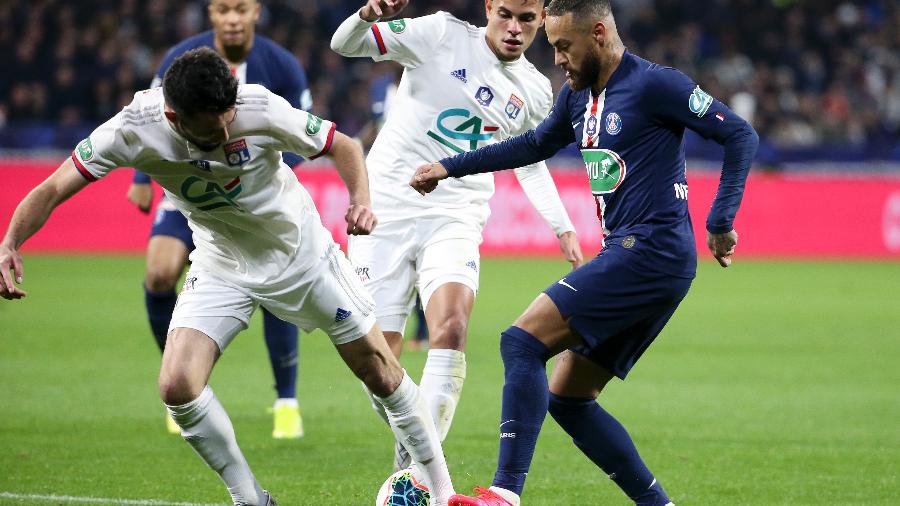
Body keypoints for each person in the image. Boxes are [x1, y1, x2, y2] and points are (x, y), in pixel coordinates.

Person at [0, 48, 456, 506]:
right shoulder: (131, 129)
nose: (224, 131)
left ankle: (442, 493)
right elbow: (55, 186)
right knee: (177, 385)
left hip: (301, 256)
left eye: (227, 117)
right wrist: (10, 242)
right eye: (210, 126)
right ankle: (250, 499)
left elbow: (345, 145)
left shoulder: (257, 107)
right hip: (222, 262)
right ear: (174, 117)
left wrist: (361, 199)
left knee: (379, 371)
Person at [410, 0, 759, 504]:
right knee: (569, 400)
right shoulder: (577, 98)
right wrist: (450, 166)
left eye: (563, 46)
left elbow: (739, 134)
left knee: (520, 342)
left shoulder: (656, 85)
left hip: (651, 250)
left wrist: (721, 220)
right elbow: (532, 145)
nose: (557, 59)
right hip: (643, 257)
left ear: (599, 34)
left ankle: (504, 495)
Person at [330, 0, 583, 471]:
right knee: (377, 365)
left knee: (452, 327)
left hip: (456, 213)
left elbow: (527, 159)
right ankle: (421, 461)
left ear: (542, 21)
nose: (514, 29)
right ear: (489, 7)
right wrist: (370, 14)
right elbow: (343, 44)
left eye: (527, 20)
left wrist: (562, 225)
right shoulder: (439, 34)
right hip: (385, 208)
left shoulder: (533, 89)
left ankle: (417, 478)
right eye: (505, 14)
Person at [126, 0, 311, 438]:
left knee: (276, 286)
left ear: (255, 13)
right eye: (224, 9)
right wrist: (140, 176)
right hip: (189, 190)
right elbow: (146, 119)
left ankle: (286, 401)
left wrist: (257, 177)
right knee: (158, 274)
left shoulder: (281, 66)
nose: (232, 19)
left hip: (255, 199)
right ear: (211, 13)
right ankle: (183, 387)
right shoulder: (181, 60)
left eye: (240, 9)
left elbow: (301, 136)